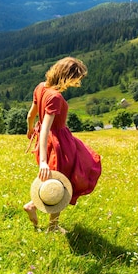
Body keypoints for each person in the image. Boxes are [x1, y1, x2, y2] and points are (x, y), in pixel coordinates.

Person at [24, 57, 102, 232]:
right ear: (68, 77)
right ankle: (38, 211)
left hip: (49, 142)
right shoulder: (55, 97)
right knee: (64, 182)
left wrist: (30, 129)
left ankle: (48, 220)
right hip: (59, 144)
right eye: (76, 79)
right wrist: (43, 161)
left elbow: (31, 115)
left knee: (58, 180)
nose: (76, 83)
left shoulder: (40, 87)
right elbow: (45, 128)